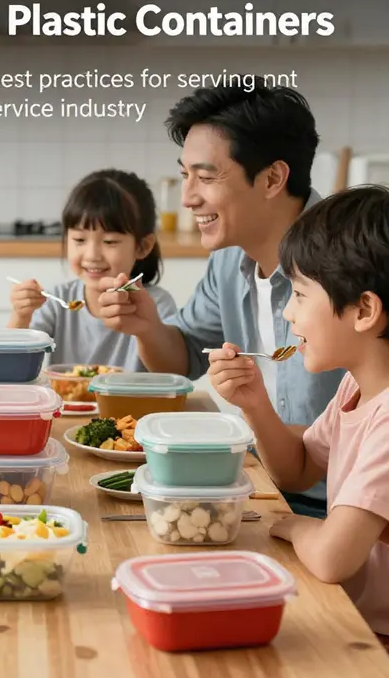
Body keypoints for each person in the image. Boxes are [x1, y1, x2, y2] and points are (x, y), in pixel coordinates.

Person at [96, 78, 343, 517]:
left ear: (271, 178)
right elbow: (185, 359)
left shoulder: (357, 261)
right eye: (184, 175)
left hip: (350, 509)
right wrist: (147, 327)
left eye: (206, 177)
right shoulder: (230, 261)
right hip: (268, 488)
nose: (189, 197)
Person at [207, 186, 389, 642]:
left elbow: (331, 558)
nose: (288, 312)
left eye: (301, 294)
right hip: (354, 613)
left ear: (364, 310)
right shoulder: (357, 386)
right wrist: (255, 403)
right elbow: (298, 469)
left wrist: (292, 524)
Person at [9, 169, 176, 367]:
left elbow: (171, 374)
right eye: (79, 239)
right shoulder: (57, 302)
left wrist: (146, 330)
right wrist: (21, 316)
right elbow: (12, 365)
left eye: (109, 241)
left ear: (142, 246)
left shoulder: (157, 305)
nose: (92, 255)